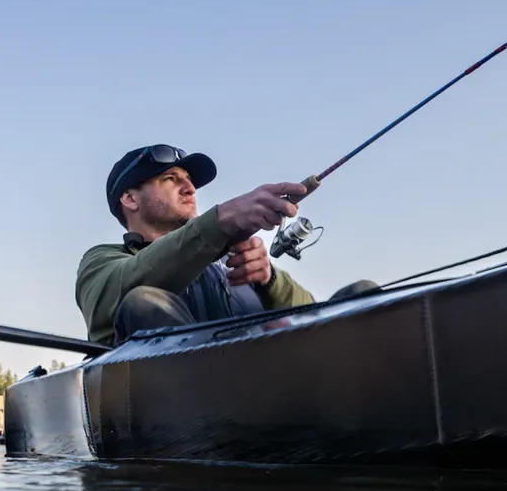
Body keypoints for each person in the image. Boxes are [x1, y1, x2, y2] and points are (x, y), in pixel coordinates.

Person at [76, 145, 372, 347]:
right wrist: (221, 221)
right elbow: (118, 295)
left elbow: (313, 315)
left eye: (189, 181)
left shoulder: (229, 259)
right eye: (170, 179)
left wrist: (270, 280)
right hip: (198, 423)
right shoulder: (103, 260)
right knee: (143, 302)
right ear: (130, 199)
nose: (190, 188)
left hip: (288, 390)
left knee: (363, 295)